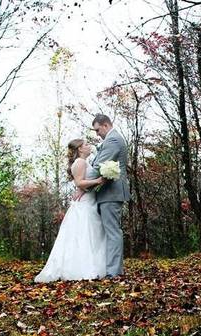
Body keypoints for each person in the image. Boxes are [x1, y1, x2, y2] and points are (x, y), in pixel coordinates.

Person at [34, 139, 107, 282]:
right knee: (85, 235)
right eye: (85, 145)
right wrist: (98, 181)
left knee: (87, 234)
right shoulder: (80, 162)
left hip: (89, 200)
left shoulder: (83, 162)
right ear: (80, 149)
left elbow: (81, 184)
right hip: (84, 204)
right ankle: (82, 268)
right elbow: (79, 182)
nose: (88, 146)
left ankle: (90, 265)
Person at [75, 114, 130, 278]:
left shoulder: (113, 140)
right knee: (109, 231)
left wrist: (82, 186)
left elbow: (99, 167)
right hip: (106, 193)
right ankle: (110, 269)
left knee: (113, 231)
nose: (97, 133)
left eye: (98, 129)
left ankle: (113, 272)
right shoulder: (109, 141)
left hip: (111, 193)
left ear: (106, 125)